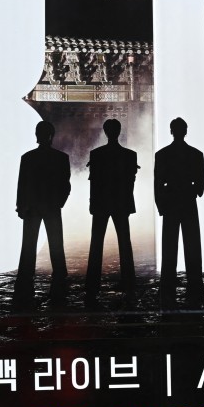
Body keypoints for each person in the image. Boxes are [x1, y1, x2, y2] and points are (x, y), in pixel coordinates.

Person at [14, 121, 71, 305]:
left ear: (37, 135)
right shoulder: (61, 158)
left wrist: (21, 206)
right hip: (52, 206)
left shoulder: (28, 158)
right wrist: (58, 203)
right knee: (56, 244)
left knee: (28, 246)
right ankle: (60, 278)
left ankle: (25, 279)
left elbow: (22, 185)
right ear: (51, 136)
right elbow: (65, 185)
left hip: (32, 207)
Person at [84, 118, 139, 302]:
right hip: (121, 203)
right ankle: (128, 281)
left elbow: (95, 184)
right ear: (119, 131)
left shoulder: (96, 154)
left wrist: (92, 205)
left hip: (101, 203)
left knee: (96, 243)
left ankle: (92, 283)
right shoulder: (130, 155)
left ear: (105, 132)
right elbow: (130, 184)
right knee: (125, 243)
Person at [154, 117, 204, 309]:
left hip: (170, 203)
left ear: (171, 131)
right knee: (192, 244)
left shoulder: (162, 154)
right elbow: (201, 178)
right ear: (186, 131)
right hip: (188, 201)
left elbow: (158, 183)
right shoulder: (195, 154)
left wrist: (161, 205)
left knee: (169, 246)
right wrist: (195, 190)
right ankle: (195, 285)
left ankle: (167, 286)